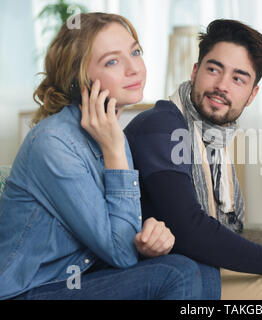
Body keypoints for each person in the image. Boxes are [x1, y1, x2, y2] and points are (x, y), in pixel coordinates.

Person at [0, 12, 220, 300]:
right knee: (174, 272)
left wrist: (149, 236)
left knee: (203, 266)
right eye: (112, 61)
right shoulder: (54, 143)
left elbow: (118, 234)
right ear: (79, 79)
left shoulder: (108, 132)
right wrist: (115, 150)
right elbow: (121, 253)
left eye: (135, 52)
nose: (134, 69)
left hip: (81, 278)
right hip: (28, 290)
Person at [124, 19, 262, 300]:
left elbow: (227, 229)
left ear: (251, 95)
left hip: (206, 270)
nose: (222, 86)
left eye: (238, 78)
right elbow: (188, 228)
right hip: (179, 279)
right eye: (213, 69)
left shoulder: (214, 139)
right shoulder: (162, 126)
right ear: (195, 71)